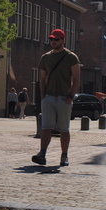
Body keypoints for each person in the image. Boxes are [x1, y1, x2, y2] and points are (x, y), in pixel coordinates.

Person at [32, 29, 80, 167]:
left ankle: (64, 156)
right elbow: (42, 79)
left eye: (57, 39)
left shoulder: (71, 57)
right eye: (52, 39)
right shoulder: (45, 57)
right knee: (46, 127)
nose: (54, 41)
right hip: (49, 97)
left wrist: (71, 96)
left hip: (64, 97)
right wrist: (43, 96)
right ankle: (42, 154)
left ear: (63, 40)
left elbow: (76, 79)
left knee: (64, 129)